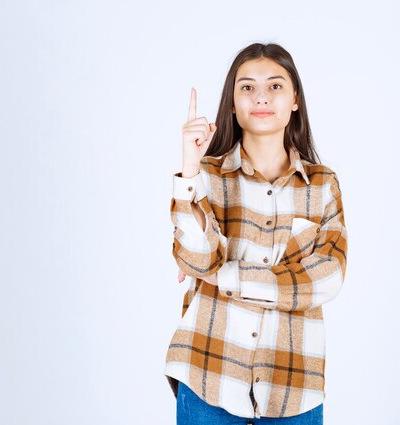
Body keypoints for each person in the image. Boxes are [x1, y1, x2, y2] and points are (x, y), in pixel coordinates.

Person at [164, 42, 348, 425]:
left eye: (275, 86)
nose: (261, 96)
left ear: (295, 99)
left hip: (292, 388)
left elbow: (326, 279)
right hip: (206, 378)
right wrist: (189, 169)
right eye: (247, 87)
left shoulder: (322, 187)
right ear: (232, 103)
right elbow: (195, 260)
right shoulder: (207, 177)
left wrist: (224, 276)